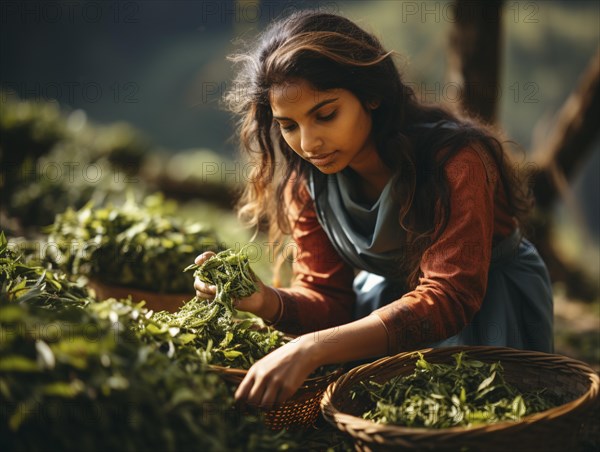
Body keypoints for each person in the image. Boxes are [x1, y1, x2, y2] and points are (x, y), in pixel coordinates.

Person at [193, 10, 553, 409]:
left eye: (325, 114)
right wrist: (266, 301)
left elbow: (449, 296)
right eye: (289, 126)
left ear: (372, 96)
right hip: (386, 310)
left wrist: (313, 348)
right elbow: (329, 299)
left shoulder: (455, 160)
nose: (309, 143)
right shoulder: (307, 183)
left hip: (486, 309)